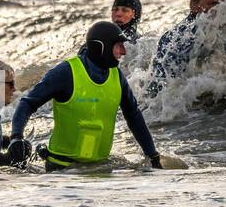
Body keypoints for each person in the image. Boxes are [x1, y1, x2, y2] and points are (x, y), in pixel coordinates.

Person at [9, 21, 170, 171]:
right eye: (119, 46)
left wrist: (152, 155)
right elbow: (27, 103)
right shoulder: (65, 72)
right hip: (60, 173)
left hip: (99, 170)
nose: (124, 51)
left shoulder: (117, 76)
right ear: (102, 47)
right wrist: (16, 137)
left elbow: (134, 116)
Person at [149, 0, 226, 88]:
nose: (219, 8)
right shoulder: (176, 38)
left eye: (221, 3)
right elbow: (169, 84)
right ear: (194, 5)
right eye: (213, 3)